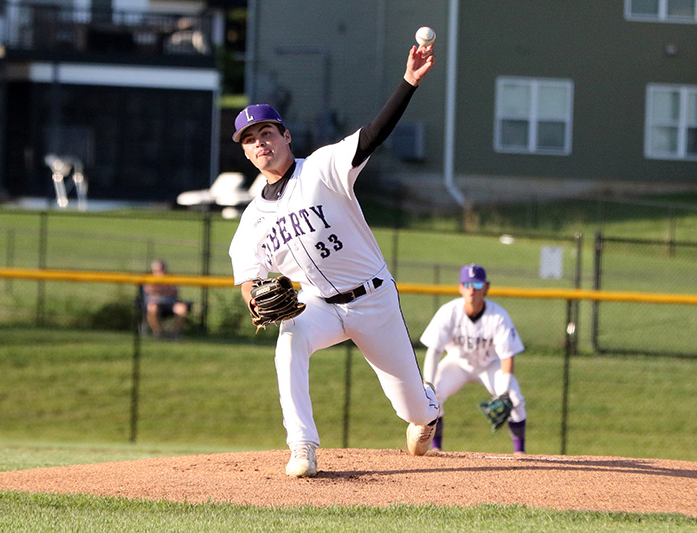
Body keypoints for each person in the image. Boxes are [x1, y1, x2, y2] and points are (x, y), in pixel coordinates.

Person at [228, 39, 440, 477]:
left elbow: (373, 135)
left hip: (374, 301)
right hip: (318, 305)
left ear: (285, 136)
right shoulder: (252, 219)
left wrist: (408, 83)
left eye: (267, 132)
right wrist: (254, 300)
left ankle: (428, 409)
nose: (260, 142)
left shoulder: (323, 167)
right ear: (246, 153)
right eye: (250, 139)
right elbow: (249, 276)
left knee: (412, 409)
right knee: (289, 341)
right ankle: (302, 446)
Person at [419, 264, 527, 455]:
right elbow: (434, 351)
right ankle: (436, 449)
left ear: (486, 287)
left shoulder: (498, 316)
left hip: (489, 365)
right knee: (433, 398)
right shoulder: (449, 312)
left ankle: (520, 452)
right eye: (467, 284)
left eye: (477, 284)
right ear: (460, 287)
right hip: (457, 364)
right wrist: (429, 383)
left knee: (514, 399)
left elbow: (507, 356)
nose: (471, 289)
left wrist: (503, 392)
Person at [142, 259, 189, 339]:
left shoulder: (171, 278)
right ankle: (158, 332)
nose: (160, 272)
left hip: (170, 303)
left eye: (161, 270)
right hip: (154, 303)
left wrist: (159, 291)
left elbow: (175, 292)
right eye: (156, 270)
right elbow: (150, 291)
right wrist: (163, 290)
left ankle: (175, 333)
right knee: (152, 308)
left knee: (181, 308)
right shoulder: (149, 278)